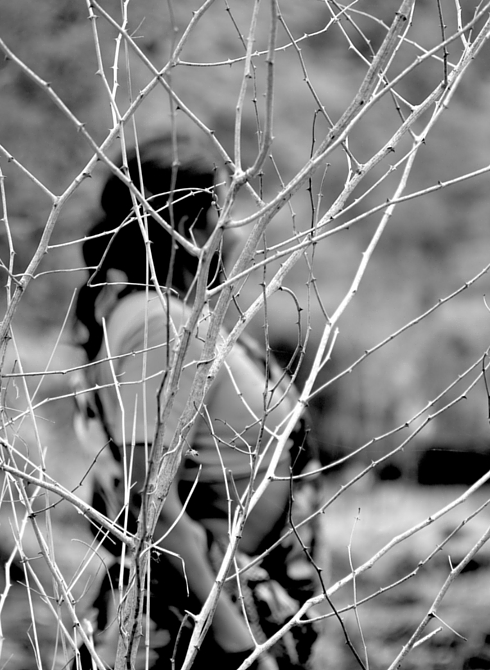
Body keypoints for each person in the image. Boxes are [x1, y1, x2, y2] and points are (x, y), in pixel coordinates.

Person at [72, 135, 322, 670]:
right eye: (225, 207)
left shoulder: (160, 314)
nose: (235, 228)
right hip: (204, 625)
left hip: (221, 603)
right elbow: (151, 497)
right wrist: (236, 642)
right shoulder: (161, 325)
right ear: (191, 225)